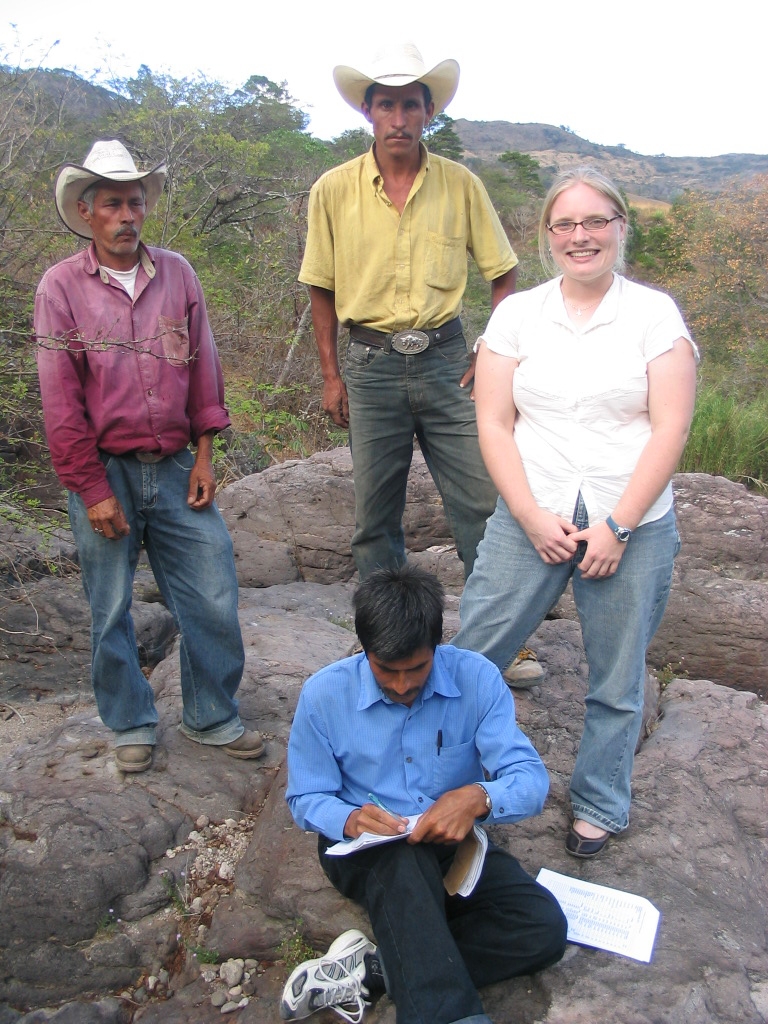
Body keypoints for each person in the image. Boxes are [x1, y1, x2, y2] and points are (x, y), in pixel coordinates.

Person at [452, 167, 698, 858]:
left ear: (621, 227)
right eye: (566, 225)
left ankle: (598, 800)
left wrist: (618, 525)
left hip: (634, 521)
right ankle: (443, 780)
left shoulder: (654, 315)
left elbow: (669, 428)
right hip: (533, 508)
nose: (580, 236)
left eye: (595, 222)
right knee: (474, 656)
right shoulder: (518, 314)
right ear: (548, 236)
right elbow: (494, 424)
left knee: (617, 678)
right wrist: (529, 515)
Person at [299, 42, 541, 685]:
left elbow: (503, 271)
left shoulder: (461, 184)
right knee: (374, 518)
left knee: (483, 504)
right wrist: (330, 373)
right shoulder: (333, 189)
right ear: (368, 112)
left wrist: (491, 349)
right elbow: (319, 284)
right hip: (370, 365)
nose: (399, 117)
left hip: (445, 361)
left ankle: (502, 642)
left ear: (428, 111)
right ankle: (386, 644)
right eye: (386, 104)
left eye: (411, 104)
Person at [34, 139, 265, 773]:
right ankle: (130, 721)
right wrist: (90, 487)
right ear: (87, 212)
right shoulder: (61, 286)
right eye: (112, 203)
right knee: (110, 606)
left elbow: (203, 368)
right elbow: (60, 399)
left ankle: (210, 713)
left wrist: (206, 455)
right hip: (104, 469)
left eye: (135, 201)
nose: (126, 214)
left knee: (212, 589)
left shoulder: (178, 273)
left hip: (173, 462)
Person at [283, 564, 567, 1024]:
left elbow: (530, 778)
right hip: (366, 849)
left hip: (452, 845)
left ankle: (378, 970)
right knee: (403, 862)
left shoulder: (477, 679)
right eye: (385, 670)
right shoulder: (323, 695)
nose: (402, 685)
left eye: (417, 667)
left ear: (437, 646)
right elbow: (306, 797)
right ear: (364, 650)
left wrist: (479, 796)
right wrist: (352, 819)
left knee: (544, 929)